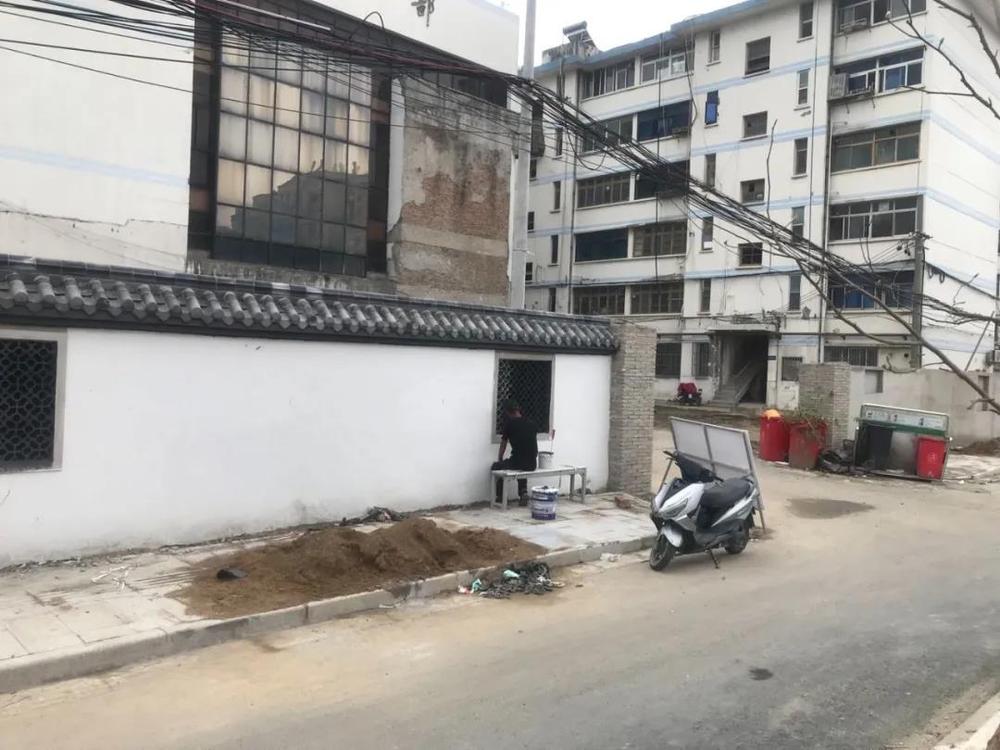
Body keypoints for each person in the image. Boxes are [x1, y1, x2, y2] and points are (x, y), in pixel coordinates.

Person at [492, 399, 538, 506]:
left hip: (518, 462)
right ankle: (523, 492)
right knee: (522, 467)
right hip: (532, 463)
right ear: (518, 410)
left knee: (497, 467)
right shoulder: (531, 423)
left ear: (508, 412)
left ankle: (500, 496)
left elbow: (503, 444)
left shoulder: (510, 424)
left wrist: (500, 458)